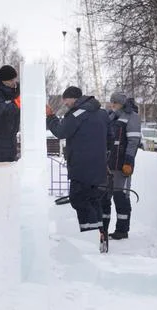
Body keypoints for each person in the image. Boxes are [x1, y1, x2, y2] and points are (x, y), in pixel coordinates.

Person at [46, 86, 113, 253]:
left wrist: (50, 117)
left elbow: (61, 132)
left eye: (66, 100)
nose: (65, 103)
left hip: (81, 167)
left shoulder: (76, 114)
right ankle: (101, 236)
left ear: (73, 98)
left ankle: (89, 239)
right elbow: (110, 138)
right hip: (98, 167)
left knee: (79, 199)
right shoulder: (103, 113)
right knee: (94, 200)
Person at [102, 92, 141, 240]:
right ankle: (103, 228)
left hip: (122, 164)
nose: (112, 105)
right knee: (105, 196)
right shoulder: (111, 116)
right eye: (111, 103)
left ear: (122, 104)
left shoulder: (132, 117)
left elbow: (133, 143)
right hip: (109, 163)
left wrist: (128, 162)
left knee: (121, 195)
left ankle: (122, 230)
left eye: (115, 103)